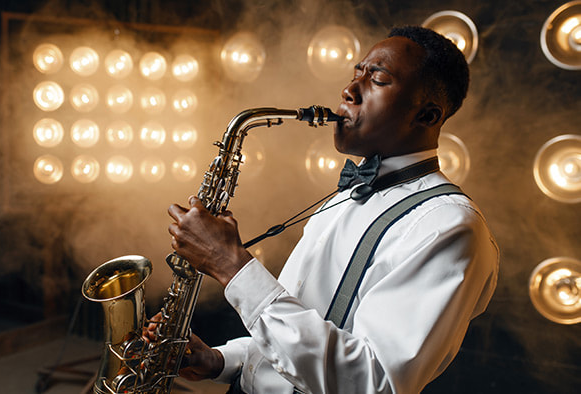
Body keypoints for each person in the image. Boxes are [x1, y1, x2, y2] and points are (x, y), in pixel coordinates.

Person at [163, 26, 499, 394]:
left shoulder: (448, 225)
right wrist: (221, 360)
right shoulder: (344, 196)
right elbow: (305, 331)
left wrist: (230, 265)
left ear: (427, 116)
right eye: (357, 73)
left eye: (379, 79)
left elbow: (374, 381)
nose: (349, 91)